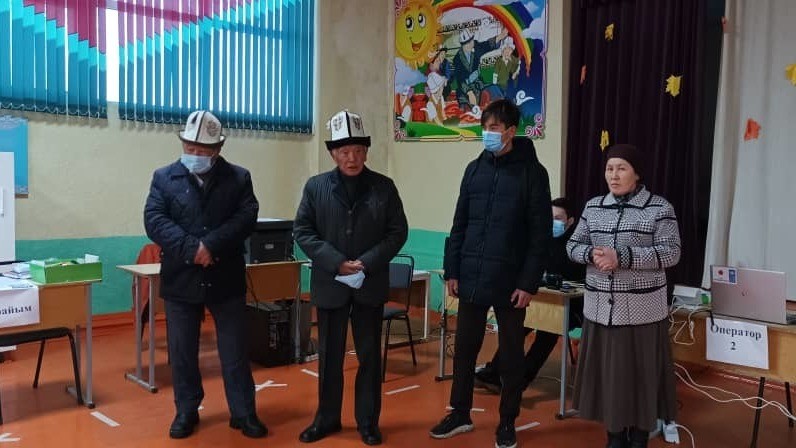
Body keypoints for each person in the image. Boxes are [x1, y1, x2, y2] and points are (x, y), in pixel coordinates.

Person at [430, 99, 552, 448]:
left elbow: (540, 235)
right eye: (484, 127)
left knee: (511, 355)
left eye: (494, 128)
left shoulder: (532, 173)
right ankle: (459, 413)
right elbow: (459, 223)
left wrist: (528, 283)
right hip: (471, 275)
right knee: (465, 349)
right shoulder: (474, 169)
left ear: (511, 131)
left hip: (510, 281)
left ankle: (507, 421)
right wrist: (452, 270)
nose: (487, 133)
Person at [144, 110, 266, 439]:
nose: (195, 154)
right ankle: (186, 410)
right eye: (190, 147)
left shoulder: (238, 178)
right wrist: (191, 248)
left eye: (204, 150)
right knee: (182, 351)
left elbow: (247, 217)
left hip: (225, 275)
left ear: (218, 149)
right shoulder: (164, 177)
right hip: (181, 277)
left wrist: (211, 245)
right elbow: (154, 219)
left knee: (235, 350)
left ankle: (243, 412)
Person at [294, 110, 408, 446]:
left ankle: (368, 422)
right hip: (331, 284)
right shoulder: (316, 187)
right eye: (344, 151)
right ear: (333, 153)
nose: (352, 158)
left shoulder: (384, 188)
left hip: (368, 284)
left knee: (370, 358)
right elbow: (303, 230)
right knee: (330, 358)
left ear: (366, 152)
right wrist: (337, 262)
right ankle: (326, 419)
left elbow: (397, 232)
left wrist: (366, 263)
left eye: (358, 150)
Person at [566, 144, 681, 448]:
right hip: (600, 310)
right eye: (609, 169)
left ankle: (640, 436)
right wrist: (592, 253)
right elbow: (572, 245)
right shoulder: (593, 207)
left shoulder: (659, 208)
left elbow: (671, 253)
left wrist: (623, 257)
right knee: (611, 379)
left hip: (643, 312)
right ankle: (614, 435)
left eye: (621, 169)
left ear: (637, 173)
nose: (613, 175)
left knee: (642, 378)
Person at [473, 197, 586, 393]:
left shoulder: (576, 246)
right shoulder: (541, 240)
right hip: (542, 300)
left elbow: (572, 276)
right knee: (517, 326)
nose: (552, 222)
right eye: (549, 217)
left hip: (572, 306)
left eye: (558, 218)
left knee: (548, 333)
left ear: (570, 221)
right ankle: (494, 373)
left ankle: (520, 380)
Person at [453, 27, 508, 110]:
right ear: (462, 45)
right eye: (467, 43)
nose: (470, 45)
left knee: (495, 90)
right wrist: (469, 92)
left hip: (478, 83)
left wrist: (500, 36)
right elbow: (460, 80)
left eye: (471, 41)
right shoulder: (457, 59)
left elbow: (487, 45)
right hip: (465, 88)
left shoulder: (476, 47)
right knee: (467, 108)